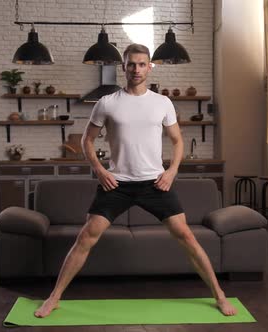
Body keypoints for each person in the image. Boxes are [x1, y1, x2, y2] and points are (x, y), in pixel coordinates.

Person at [35, 43, 236, 318]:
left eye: (142, 64)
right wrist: (100, 170)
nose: (137, 69)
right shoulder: (107, 103)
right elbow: (87, 140)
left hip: (154, 184)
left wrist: (172, 171)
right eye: (132, 64)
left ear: (149, 67)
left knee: (187, 236)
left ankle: (220, 296)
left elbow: (177, 141)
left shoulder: (162, 103)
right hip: (116, 184)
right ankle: (54, 297)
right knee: (85, 237)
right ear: (124, 67)